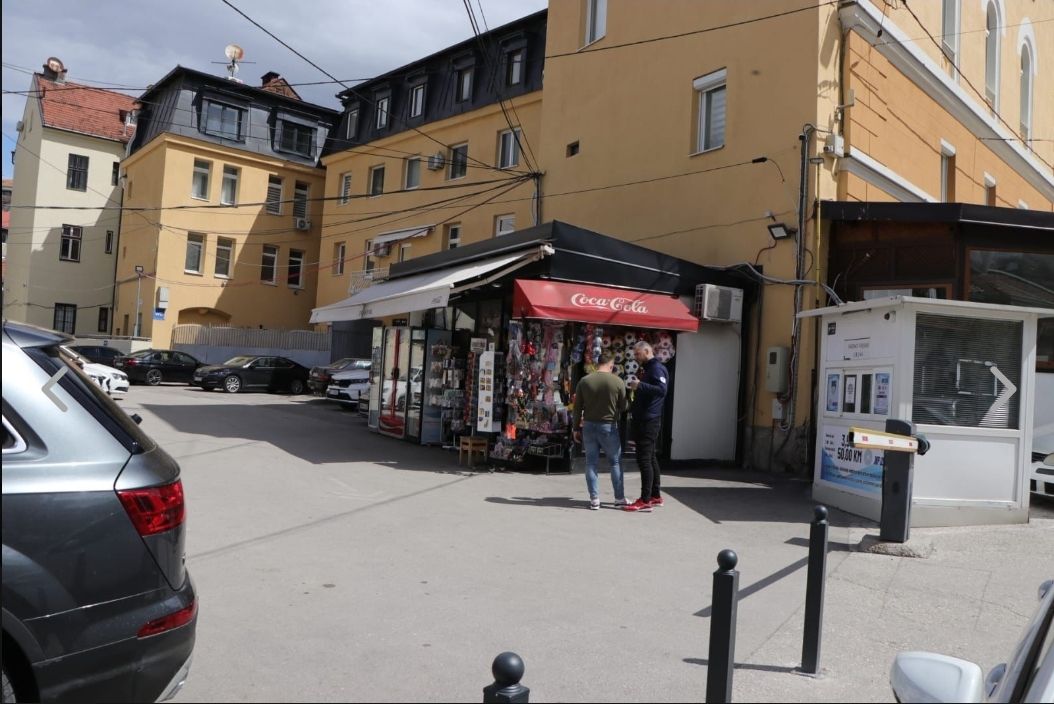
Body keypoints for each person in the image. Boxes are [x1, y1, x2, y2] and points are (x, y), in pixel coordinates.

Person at [572, 351, 628, 510]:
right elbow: (624, 406)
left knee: (591, 463)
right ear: (611, 365)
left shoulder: (584, 381)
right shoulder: (617, 381)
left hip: (589, 426)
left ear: (597, 364)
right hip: (608, 426)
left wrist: (575, 428)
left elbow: (577, 408)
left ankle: (594, 499)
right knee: (615, 462)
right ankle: (619, 498)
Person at [624, 341, 669, 512]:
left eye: (638, 354)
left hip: (648, 420)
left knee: (644, 459)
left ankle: (645, 499)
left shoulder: (656, 368)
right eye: (634, 354)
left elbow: (662, 390)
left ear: (647, 351)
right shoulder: (648, 368)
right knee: (650, 458)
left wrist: (640, 385)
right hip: (646, 418)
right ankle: (655, 496)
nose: (636, 357)